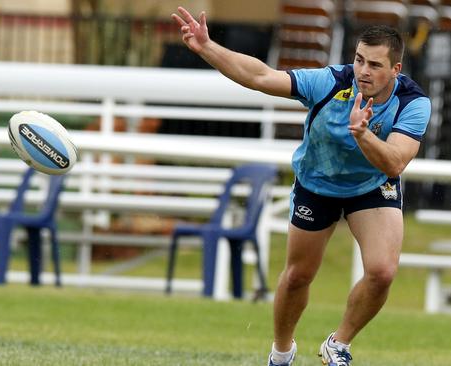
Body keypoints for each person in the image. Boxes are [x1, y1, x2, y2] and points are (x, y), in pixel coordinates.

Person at [171, 6, 431, 366]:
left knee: (383, 272)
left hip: (371, 186)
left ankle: (338, 343)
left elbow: (395, 162)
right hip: (317, 185)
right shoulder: (331, 82)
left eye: (374, 65)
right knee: (297, 276)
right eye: (359, 60)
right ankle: (281, 352)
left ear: (395, 70)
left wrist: (362, 134)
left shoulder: (413, 103)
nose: (363, 71)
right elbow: (262, 77)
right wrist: (207, 47)